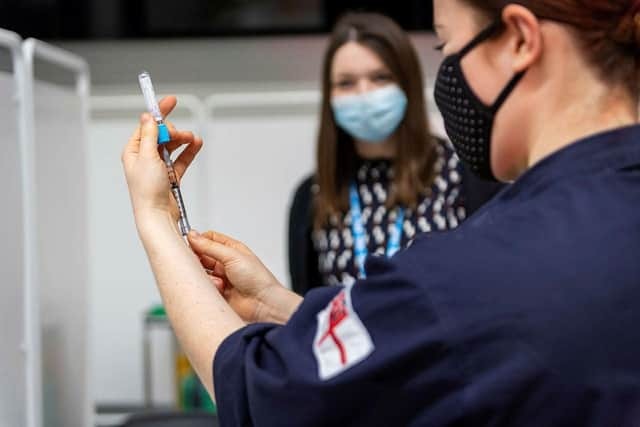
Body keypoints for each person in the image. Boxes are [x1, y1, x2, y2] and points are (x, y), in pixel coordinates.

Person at [122, 0, 640, 425]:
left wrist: (155, 217)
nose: (450, 74)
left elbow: (263, 391)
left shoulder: (467, 269)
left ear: (521, 41)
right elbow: (428, 341)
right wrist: (278, 305)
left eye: (450, 47)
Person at [288, 13, 502, 294]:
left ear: (407, 85)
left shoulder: (464, 178)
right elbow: (303, 314)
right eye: (346, 83)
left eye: (380, 78)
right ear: (329, 96)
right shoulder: (314, 195)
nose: (364, 94)